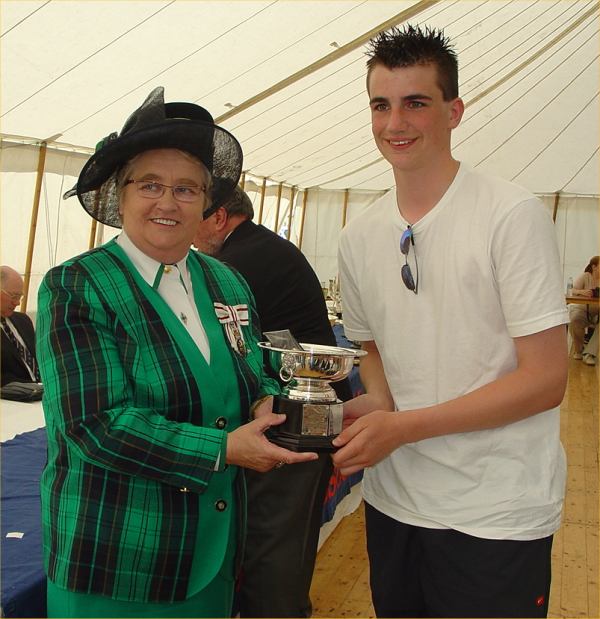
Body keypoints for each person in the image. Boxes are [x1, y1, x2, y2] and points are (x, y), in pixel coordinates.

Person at [36, 87, 317, 619]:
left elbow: (253, 371)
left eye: (187, 189)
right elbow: (94, 425)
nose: (168, 202)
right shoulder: (76, 285)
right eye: (150, 185)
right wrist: (222, 450)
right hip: (117, 561)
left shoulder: (226, 281)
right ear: (120, 197)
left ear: (208, 204)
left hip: (213, 556)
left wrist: (265, 402)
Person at [332, 25, 569, 618]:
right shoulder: (359, 235)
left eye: (416, 102)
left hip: (494, 511)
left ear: (454, 110)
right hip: (395, 502)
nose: (395, 124)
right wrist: (378, 406)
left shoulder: (510, 215)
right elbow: (371, 350)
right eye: (381, 105)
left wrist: (405, 425)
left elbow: (545, 379)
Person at [194, 186, 353, 618]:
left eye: (196, 216)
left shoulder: (233, 265)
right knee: (277, 547)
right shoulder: (261, 247)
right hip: (291, 412)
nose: (190, 234)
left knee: (272, 550)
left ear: (220, 217)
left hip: (291, 417)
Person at [1, 265, 40, 386]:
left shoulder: (23, 321)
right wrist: (33, 387)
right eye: (14, 296)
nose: (17, 302)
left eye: (20, 297)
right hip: (13, 401)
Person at [568, 255, 599, 363]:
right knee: (575, 319)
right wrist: (583, 292)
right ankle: (579, 350)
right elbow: (573, 290)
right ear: (594, 267)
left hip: (597, 313)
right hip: (582, 310)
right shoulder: (586, 276)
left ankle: (590, 354)